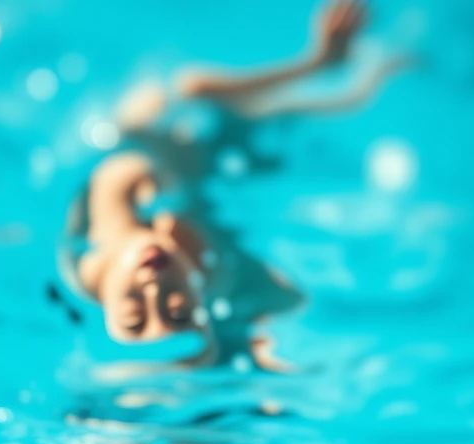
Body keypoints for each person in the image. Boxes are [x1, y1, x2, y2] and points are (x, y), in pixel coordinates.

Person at [62, 0, 412, 374]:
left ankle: (318, 64)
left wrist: (152, 178)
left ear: (106, 312)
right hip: (215, 167)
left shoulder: (97, 258)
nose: (153, 287)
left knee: (179, 93)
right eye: (178, 311)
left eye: (133, 317)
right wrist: (268, 346)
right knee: (332, 108)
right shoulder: (221, 277)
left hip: (148, 136)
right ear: (200, 308)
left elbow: (121, 170)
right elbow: (286, 301)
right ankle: (353, 77)